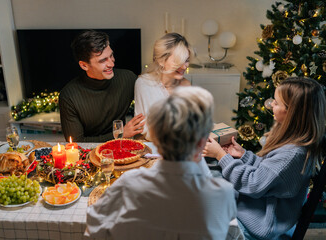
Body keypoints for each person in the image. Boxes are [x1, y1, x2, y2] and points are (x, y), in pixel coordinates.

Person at [85, 86, 237, 240]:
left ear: (155, 141)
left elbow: (94, 225)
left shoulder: (128, 184)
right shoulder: (223, 193)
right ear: (203, 141)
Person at [204, 77, 326, 239]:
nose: (271, 105)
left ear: (291, 112)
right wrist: (243, 155)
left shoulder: (293, 154)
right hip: (261, 210)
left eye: (276, 103)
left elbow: (255, 184)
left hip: (260, 224)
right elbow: (270, 173)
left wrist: (221, 155)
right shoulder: (294, 143)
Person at [59, 30, 145, 142]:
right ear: (84, 65)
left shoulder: (127, 78)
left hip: (121, 149)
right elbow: (77, 143)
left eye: (111, 55)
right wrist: (120, 134)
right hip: (89, 154)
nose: (112, 63)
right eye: (103, 60)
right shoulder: (69, 96)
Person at [134, 32, 191, 140]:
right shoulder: (144, 84)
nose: (184, 66)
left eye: (186, 60)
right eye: (178, 61)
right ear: (161, 61)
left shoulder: (186, 85)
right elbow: (148, 130)